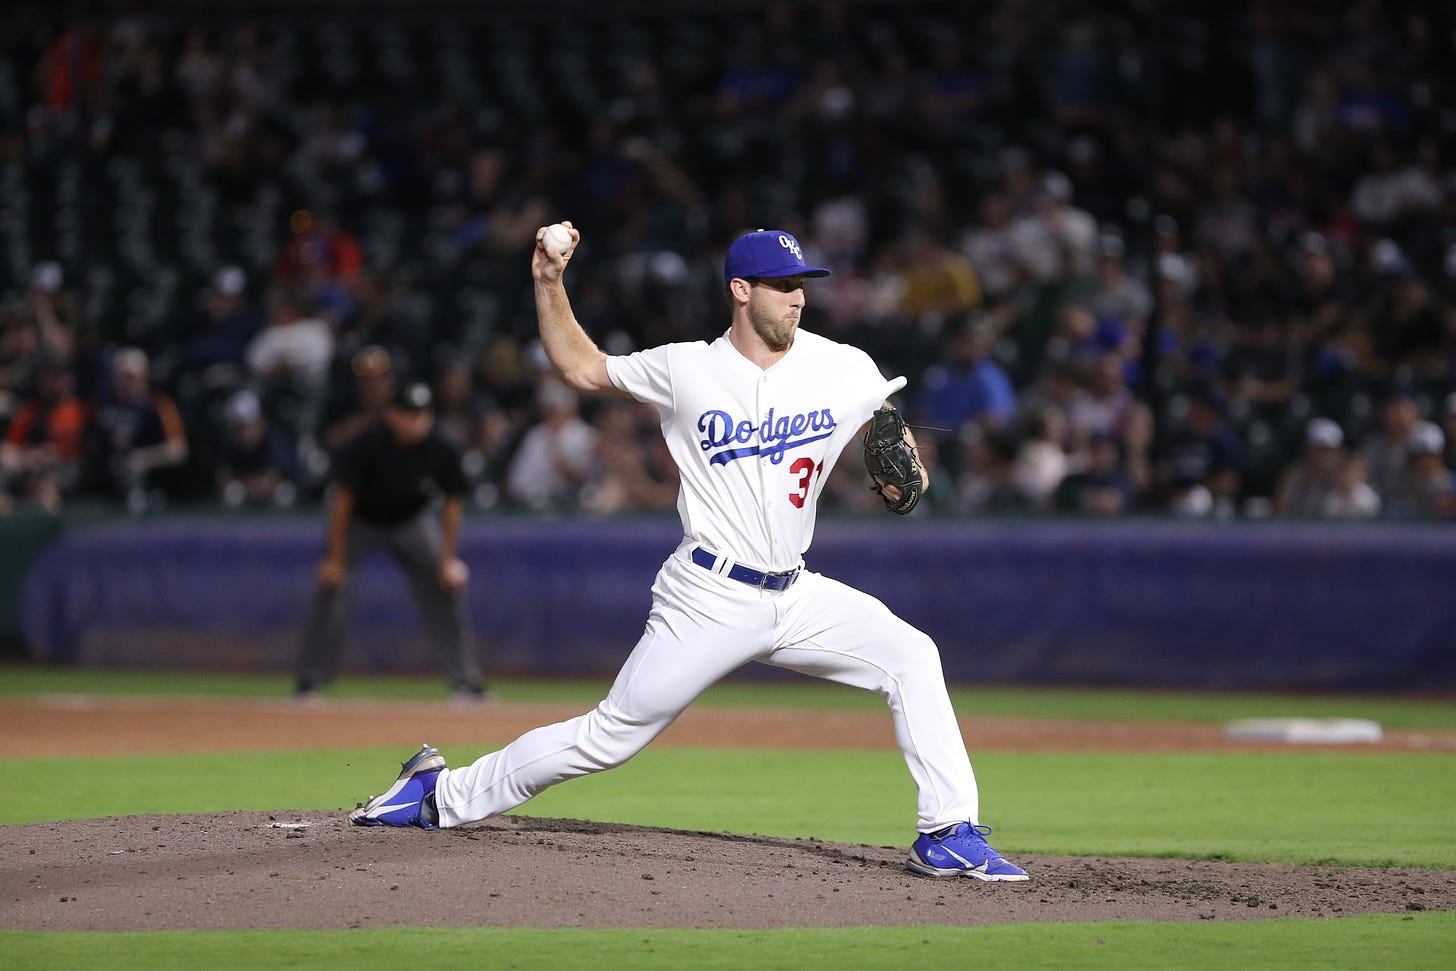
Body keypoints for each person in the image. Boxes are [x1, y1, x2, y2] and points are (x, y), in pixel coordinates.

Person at [348, 225, 1029, 883]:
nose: (797, 297)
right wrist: (548, 280)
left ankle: (946, 832)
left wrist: (904, 465)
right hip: (709, 594)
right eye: (782, 284)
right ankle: (440, 792)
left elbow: (904, 464)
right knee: (608, 736)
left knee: (912, 654)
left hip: (796, 595)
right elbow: (581, 366)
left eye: (803, 285)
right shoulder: (686, 368)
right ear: (741, 289)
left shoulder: (844, 367)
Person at [295, 381, 486, 701]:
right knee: (332, 587)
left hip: (411, 521)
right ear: (392, 415)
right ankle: (309, 681)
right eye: (409, 413)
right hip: (361, 521)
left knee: (445, 586)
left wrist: (447, 559)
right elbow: (342, 501)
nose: (416, 421)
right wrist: (335, 558)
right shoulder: (368, 444)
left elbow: (453, 504)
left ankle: (466, 680)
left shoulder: (441, 447)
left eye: (422, 414)